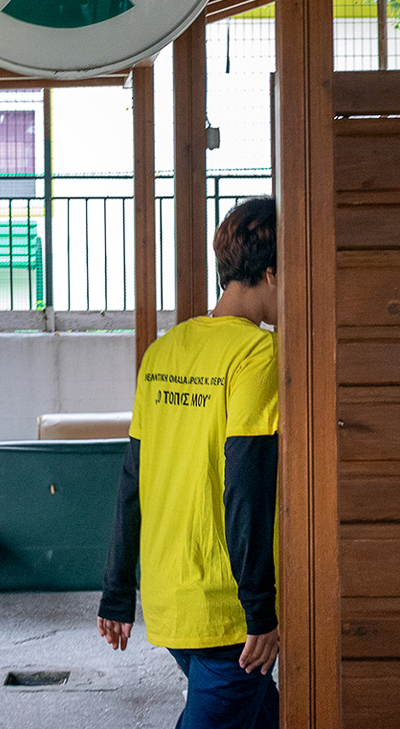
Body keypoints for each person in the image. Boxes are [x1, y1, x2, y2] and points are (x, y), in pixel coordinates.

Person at [97, 196, 279, 729]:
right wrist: (261, 611)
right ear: (271, 273)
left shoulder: (164, 351)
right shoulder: (257, 356)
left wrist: (116, 590)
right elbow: (246, 487)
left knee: (262, 715)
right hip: (228, 612)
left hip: (169, 597)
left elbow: (132, 479)